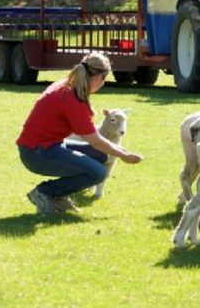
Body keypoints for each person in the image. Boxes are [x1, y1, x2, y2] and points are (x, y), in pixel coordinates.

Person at [17, 52, 143, 214]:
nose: (103, 84)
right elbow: (95, 140)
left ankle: (59, 197)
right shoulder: (72, 97)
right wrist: (123, 155)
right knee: (98, 172)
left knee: (103, 156)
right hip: (37, 152)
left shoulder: (69, 85)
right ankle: (45, 192)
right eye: (105, 79)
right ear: (98, 78)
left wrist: (120, 151)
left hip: (46, 146)